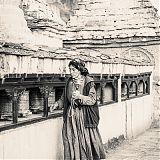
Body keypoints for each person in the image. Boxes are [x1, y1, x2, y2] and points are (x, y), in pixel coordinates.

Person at [50, 58, 106, 160]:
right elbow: (64, 98)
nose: (71, 72)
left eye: (73, 70)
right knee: (71, 138)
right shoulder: (69, 82)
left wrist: (80, 96)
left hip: (83, 116)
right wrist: (57, 104)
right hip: (71, 116)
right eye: (70, 70)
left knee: (84, 139)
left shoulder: (88, 81)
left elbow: (92, 100)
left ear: (79, 69)